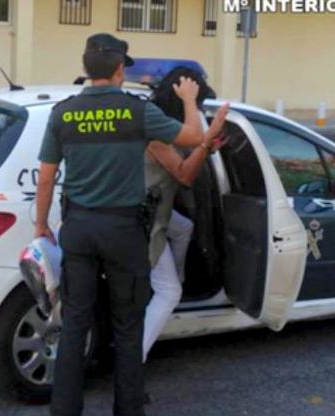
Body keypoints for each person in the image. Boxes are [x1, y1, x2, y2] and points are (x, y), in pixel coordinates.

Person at [35, 33, 226, 416]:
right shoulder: (136, 111)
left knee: (74, 327)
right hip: (124, 233)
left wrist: (41, 226)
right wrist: (189, 101)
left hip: (79, 230)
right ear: (120, 68)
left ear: (87, 67)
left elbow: (45, 177)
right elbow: (191, 136)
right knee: (127, 330)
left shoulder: (63, 113)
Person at [142, 68, 229, 362]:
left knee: (183, 228)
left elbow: (184, 147)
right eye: (196, 105)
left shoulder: (159, 119)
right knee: (169, 292)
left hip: (154, 215)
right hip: (144, 222)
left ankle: (174, 279)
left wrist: (206, 147)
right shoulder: (154, 130)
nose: (199, 111)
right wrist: (205, 141)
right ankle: (132, 360)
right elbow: (185, 175)